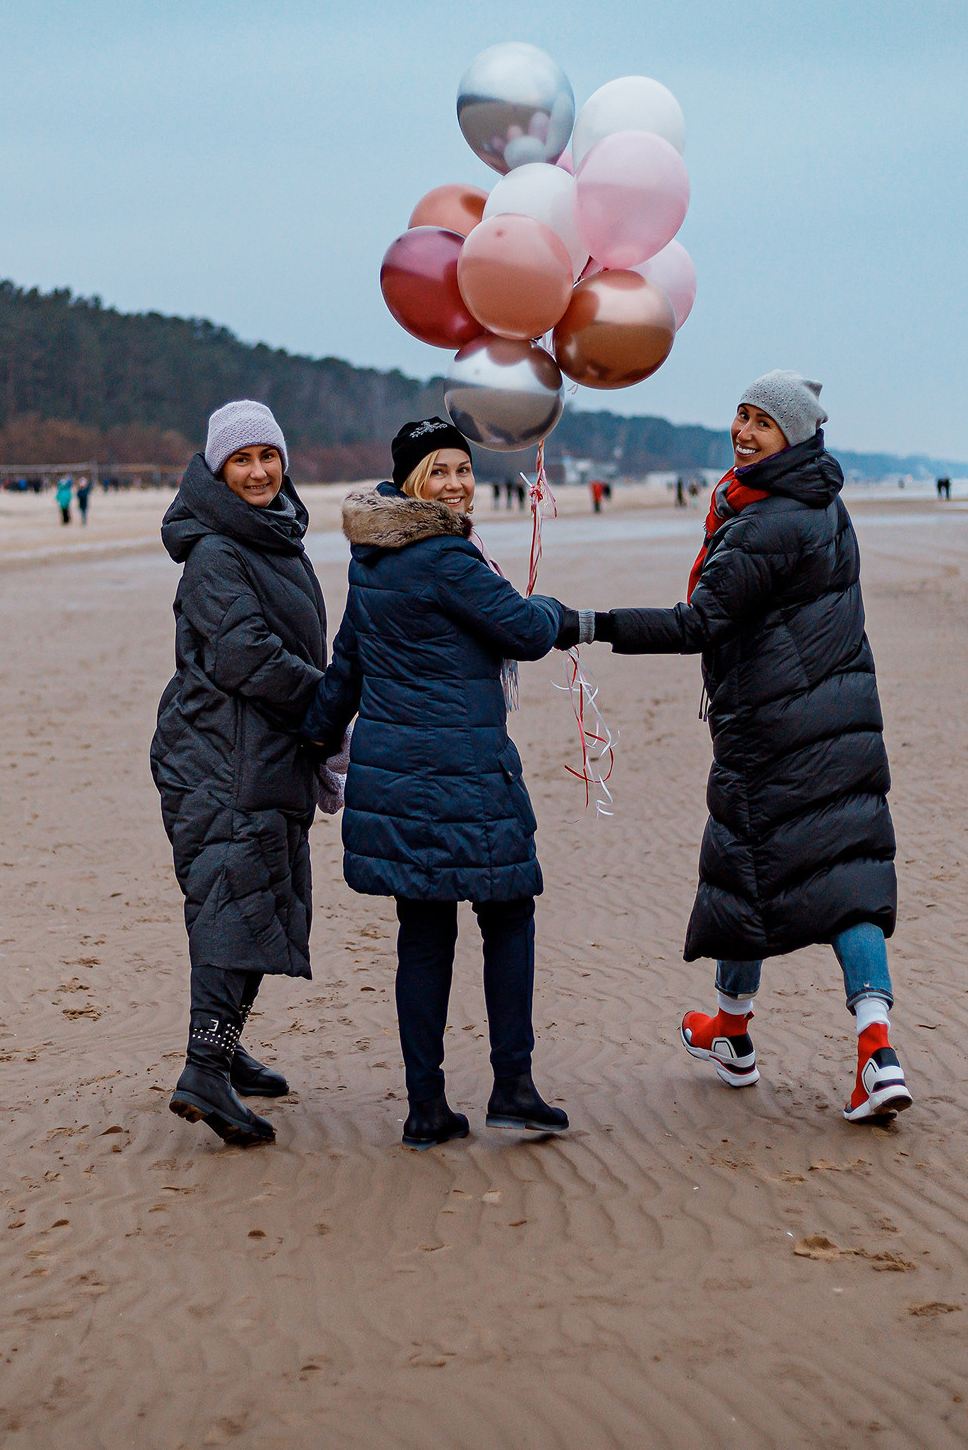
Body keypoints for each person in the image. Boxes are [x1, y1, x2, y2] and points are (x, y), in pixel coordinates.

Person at [552, 371, 910, 1126]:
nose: (745, 431)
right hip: (843, 714)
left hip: (775, 728)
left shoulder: (765, 521)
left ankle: (740, 1031)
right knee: (846, 875)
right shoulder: (825, 505)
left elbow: (697, 625)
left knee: (744, 869)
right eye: (741, 416)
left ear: (797, 438)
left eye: (763, 423)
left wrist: (588, 622)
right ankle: (864, 1048)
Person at [302, 418, 571, 1149]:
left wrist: (314, 739)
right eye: (440, 470)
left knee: (423, 934)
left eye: (463, 468)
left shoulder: (375, 558)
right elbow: (526, 631)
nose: (455, 482)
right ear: (412, 480)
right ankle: (512, 1086)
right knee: (508, 913)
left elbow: (346, 667)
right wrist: (548, 609)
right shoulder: (448, 556)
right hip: (463, 772)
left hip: (394, 779)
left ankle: (427, 1109)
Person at [151, 402, 328, 1148]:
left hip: (261, 752)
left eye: (268, 456)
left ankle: (224, 1048)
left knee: (255, 902)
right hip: (222, 759)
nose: (258, 472)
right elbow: (244, 656)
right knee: (233, 906)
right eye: (242, 460)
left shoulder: (272, 534)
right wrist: (331, 701)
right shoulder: (217, 552)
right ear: (218, 470)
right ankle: (204, 1070)